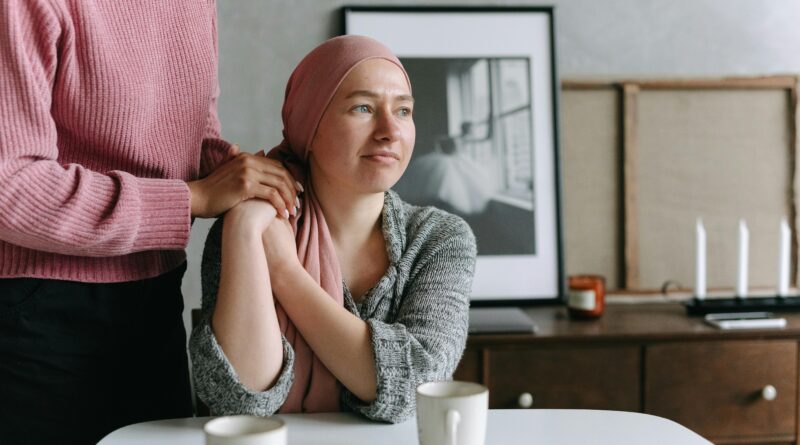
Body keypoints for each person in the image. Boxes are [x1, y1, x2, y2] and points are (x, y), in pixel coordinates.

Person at [0, 2, 299, 444]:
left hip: (156, 293)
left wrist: (247, 174)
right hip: (39, 309)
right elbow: (11, 187)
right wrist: (194, 198)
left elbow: (189, 140)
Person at [189, 35, 477, 423]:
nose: (389, 130)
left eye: (404, 111)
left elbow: (415, 389)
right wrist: (242, 226)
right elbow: (239, 404)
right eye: (363, 108)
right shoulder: (251, 224)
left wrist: (286, 273)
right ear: (310, 124)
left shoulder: (440, 239)